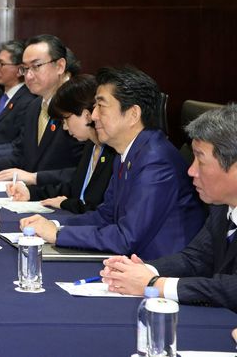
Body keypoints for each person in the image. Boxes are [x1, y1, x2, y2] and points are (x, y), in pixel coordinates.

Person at [20, 67, 205, 259]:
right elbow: (105, 216)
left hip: (157, 267)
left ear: (133, 114)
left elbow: (126, 237)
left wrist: (59, 235)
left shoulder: (156, 161)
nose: (93, 116)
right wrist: (55, 225)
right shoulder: (127, 152)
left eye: (101, 106)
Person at [100, 104, 237, 311]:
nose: (191, 171)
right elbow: (196, 258)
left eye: (200, 160)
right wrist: (142, 271)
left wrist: (155, 284)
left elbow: (232, 288)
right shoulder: (221, 207)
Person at [0, 34, 84, 186]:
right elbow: (21, 154)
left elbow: (84, 172)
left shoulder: (78, 106)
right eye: (25, 68)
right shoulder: (34, 106)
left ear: (60, 66)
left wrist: (35, 178)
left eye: (36, 66)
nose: (29, 76)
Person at [7, 74, 116, 213]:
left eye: (66, 119)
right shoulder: (91, 146)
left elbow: (100, 209)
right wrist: (31, 193)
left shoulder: (113, 152)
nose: (64, 127)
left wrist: (66, 205)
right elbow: (72, 188)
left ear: (86, 115)